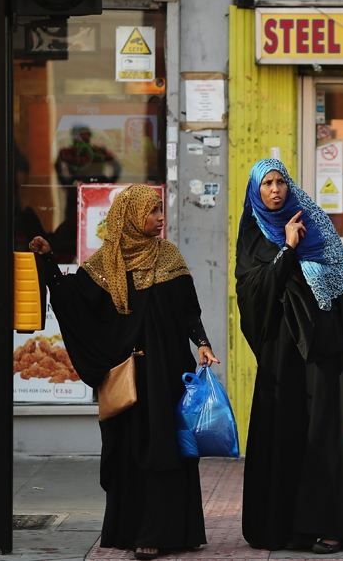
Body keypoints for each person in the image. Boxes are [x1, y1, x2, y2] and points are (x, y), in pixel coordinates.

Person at [28, 184, 219, 560]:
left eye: (161, 210)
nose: (160, 218)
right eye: (153, 212)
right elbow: (72, 301)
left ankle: (171, 530)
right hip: (128, 377)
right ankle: (138, 530)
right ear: (131, 216)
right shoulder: (106, 263)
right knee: (133, 451)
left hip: (168, 373)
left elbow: (188, 311)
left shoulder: (170, 257)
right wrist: (49, 261)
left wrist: (203, 343)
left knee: (170, 449)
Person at [236, 158, 343, 554]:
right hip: (280, 352)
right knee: (281, 435)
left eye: (281, 181)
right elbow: (251, 292)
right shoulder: (252, 234)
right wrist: (287, 248)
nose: (275, 189)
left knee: (326, 438)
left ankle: (331, 528)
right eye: (266, 184)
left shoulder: (314, 220)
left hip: (324, 348)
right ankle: (278, 527)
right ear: (255, 191)